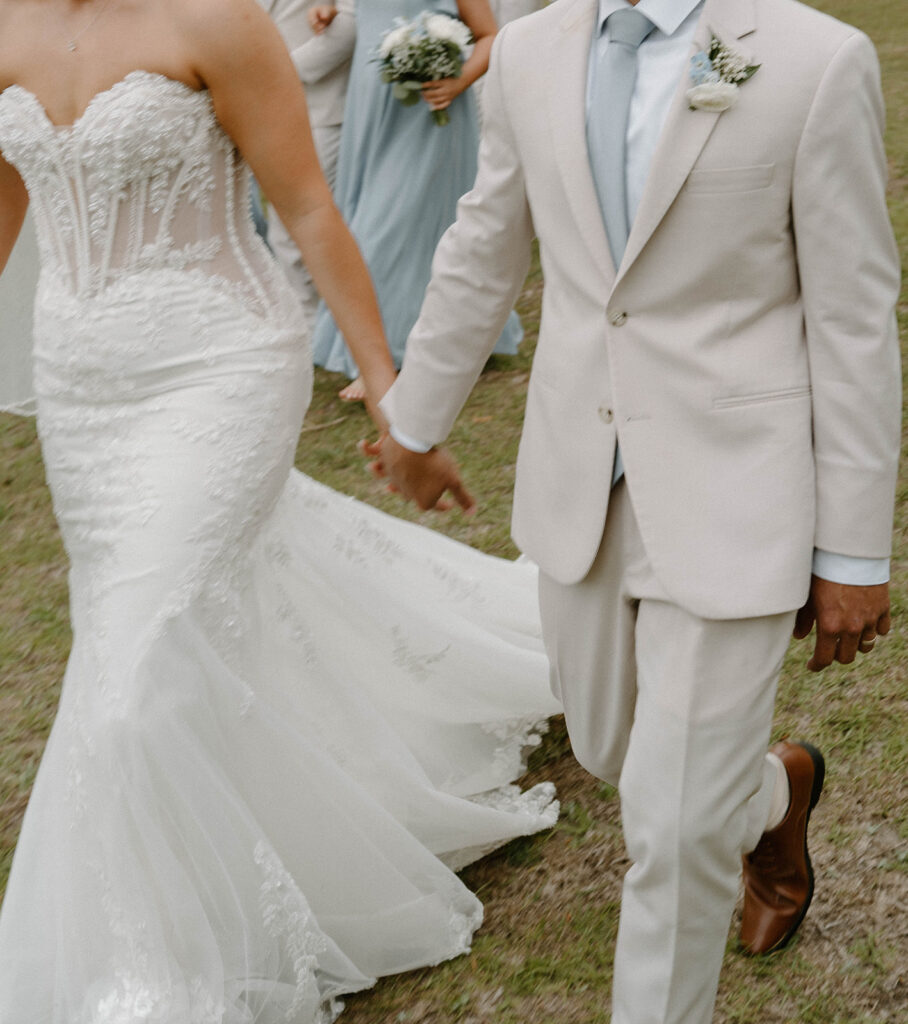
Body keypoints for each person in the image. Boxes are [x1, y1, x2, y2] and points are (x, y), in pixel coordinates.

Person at [0, 0, 561, 1020]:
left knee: (137, 664)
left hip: (217, 363)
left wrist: (397, 399)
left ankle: (162, 969)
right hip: (81, 386)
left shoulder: (214, 19)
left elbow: (306, 207)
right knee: (164, 627)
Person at [371, 0, 901, 1020]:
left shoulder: (812, 60)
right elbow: (486, 241)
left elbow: (850, 315)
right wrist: (415, 419)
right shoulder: (526, 52)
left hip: (738, 489)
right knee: (612, 753)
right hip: (581, 478)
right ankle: (775, 793)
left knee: (669, 832)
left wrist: (851, 549)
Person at [310, 0, 523, 401]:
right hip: (371, 110)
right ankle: (455, 333)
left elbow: (491, 36)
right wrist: (325, 9)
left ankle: (384, 359)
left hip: (428, 112)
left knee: (390, 222)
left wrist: (457, 81)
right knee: (388, 219)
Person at [259, 0, 357, 325]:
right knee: (281, 227)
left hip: (324, 106)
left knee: (315, 221)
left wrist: (273, 74)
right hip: (270, 109)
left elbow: (348, 26)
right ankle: (307, 320)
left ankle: (324, 323)